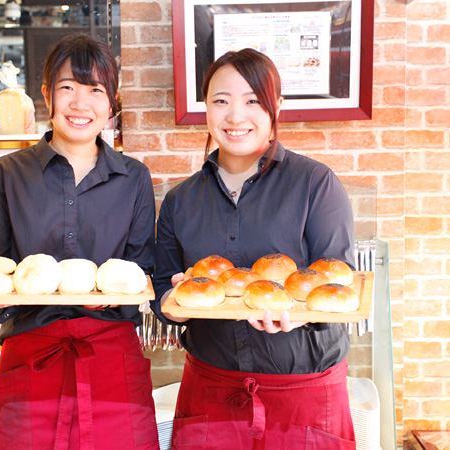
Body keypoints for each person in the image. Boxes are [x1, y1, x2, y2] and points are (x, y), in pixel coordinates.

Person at [0, 33, 159, 450]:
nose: (81, 104)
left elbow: (142, 272)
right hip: (30, 361)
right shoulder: (7, 174)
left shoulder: (134, 178)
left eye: (95, 90)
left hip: (111, 360)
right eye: (68, 88)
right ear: (47, 94)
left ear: (112, 101)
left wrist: (117, 299)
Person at [152, 48, 357, 449]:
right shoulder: (180, 200)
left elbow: (338, 282)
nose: (235, 117)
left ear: (276, 105)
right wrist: (175, 298)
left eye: (252, 101)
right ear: (206, 108)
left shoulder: (315, 184)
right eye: (221, 101)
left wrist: (300, 316)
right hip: (211, 389)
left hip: (304, 394)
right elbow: (163, 289)